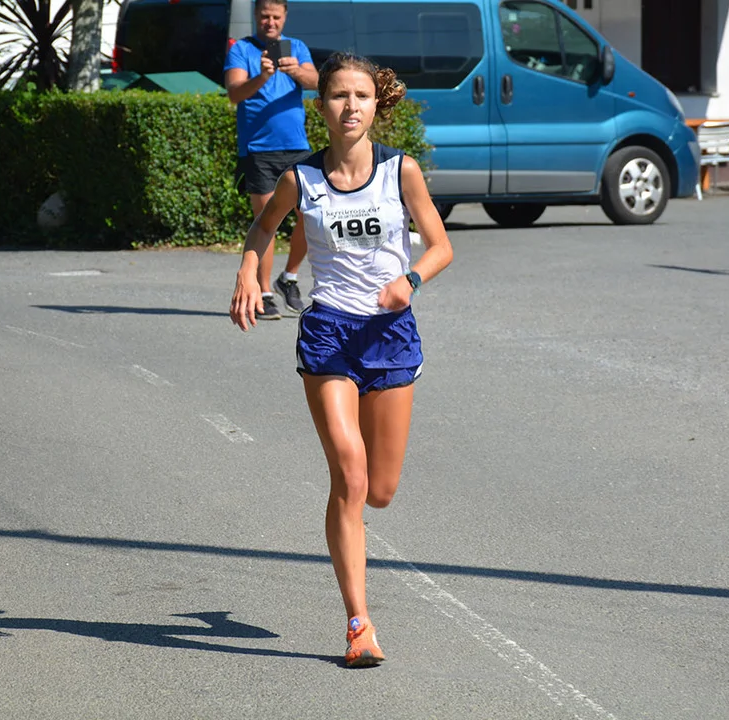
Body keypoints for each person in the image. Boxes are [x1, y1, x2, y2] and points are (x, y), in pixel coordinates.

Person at [229, 52, 454, 667]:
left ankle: (359, 555)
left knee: (379, 491)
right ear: (321, 105)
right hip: (328, 331)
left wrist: (410, 279)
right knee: (349, 474)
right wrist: (249, 270)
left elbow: (440, 246)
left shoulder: (401, 171)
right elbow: (263, 229)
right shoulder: (300, 179)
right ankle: (359, 624)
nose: (349, 106)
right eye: (338, 96)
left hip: (390, 333)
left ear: (376, 104)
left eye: (360, 95)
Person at [224, 0, 318, 319]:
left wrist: (296, 71)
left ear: (285, 17)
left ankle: (288, 278)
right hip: (259, 150)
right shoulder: (242, 50)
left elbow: (318, 83)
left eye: (276, 17)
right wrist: (263, 76)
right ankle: (264, 293)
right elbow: (234, 93)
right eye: (265, 16)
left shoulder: (297, 48)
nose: (270, 22)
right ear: (256, 16)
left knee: (312, 216)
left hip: (297, 147)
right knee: (267, 221)